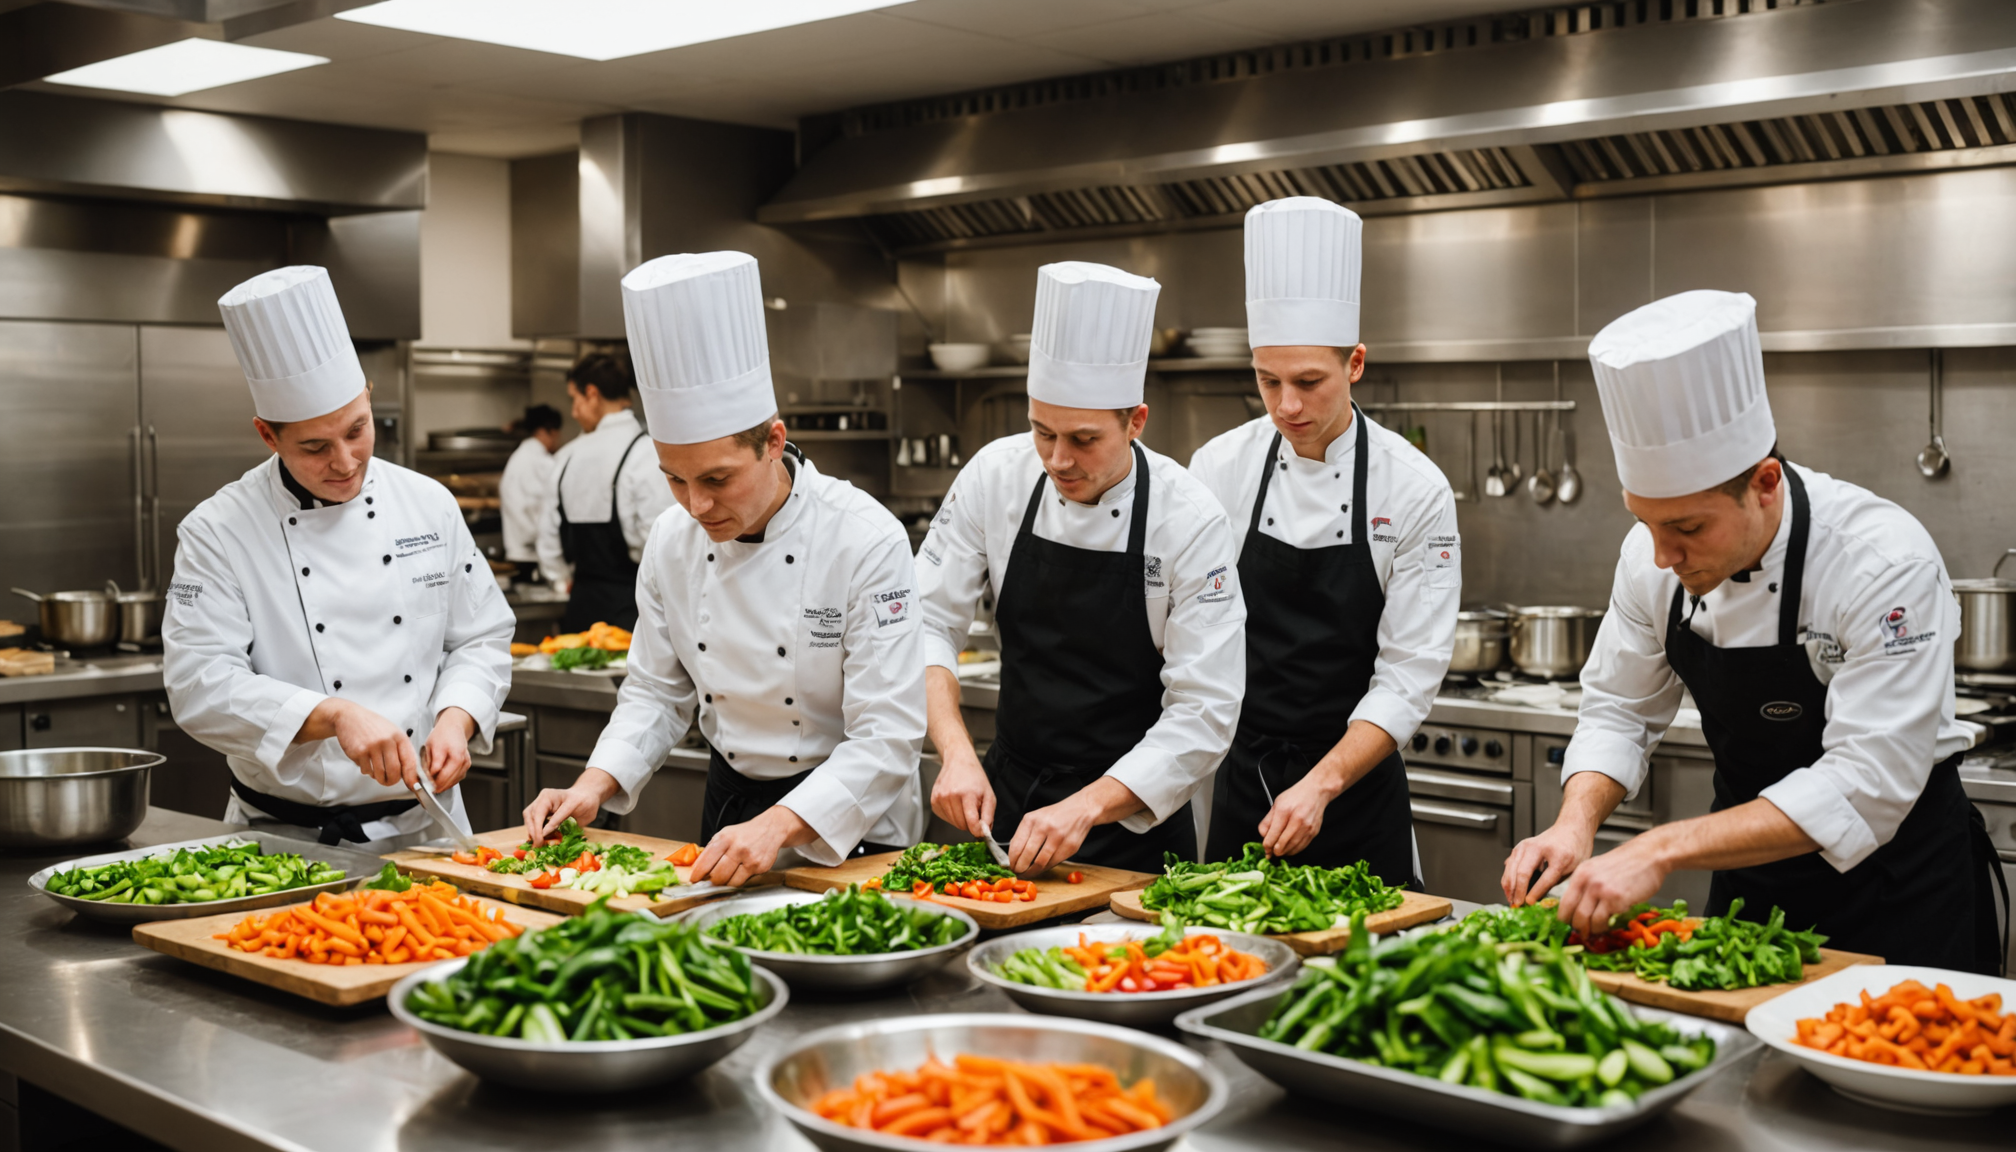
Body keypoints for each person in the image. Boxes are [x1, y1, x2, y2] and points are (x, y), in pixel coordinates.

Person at [1500, 289, 2006, 972]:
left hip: (1899, 894)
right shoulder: (1650, 558)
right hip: (1749, 893)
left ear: (1765, 483)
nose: (1660, 555)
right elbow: (1619, 709)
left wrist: (1657, 847)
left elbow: (1865, 783)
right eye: (1644, 522)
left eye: (1686, 528)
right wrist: (1575, 823)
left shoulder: (1882, 562)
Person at [522, 252, 924, 887]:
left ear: (772, 441)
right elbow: (656, 691)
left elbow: (888, 735)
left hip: (852, 828)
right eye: (675, 480)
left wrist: (780, 825)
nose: (696, 505)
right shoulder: (671, 540)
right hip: (731, 812)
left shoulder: (863, 538)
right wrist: (594, 784)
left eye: (716, 479)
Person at [162, 266, 515, 845]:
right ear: (267, 436)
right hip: (281, 842)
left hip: (426, 827)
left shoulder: (427, 503)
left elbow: (480, 637)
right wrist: (333, 715)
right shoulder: (218, 530)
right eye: (315, 447)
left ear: (370, 401)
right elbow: (199, 684)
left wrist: (459, 715)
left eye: (358, 430)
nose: (347, 461)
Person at [917, 261, 1245, 875]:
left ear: (1136, 421)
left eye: (1084, 439)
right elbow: (926, 622)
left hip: (1131, 825)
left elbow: (1205, 710)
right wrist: (956, 751)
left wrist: (1086, 806)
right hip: (1004, 807)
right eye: (1043, 432)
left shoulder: (1190, 518)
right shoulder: (996, 476)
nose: (1058, 460)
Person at [1190, 198, 1458, 882]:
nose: (1287, 406)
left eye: (1309, 382)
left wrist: (1323, 783)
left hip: (1356, 790)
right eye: (1267, 380)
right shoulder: (1219, 468)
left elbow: (1407, 675)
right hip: (1245, 786)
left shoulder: (1414, 488)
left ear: (1357, 363)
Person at [537, 353, 675, 632]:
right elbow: (661, 544)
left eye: (574, 400)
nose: (574, 412)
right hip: (635, 611)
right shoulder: (648, 453)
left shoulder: (565, 457)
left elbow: (548, 541)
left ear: (592, 394)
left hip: (580, 610)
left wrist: (560, 579)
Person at [500, 403, 562, 581]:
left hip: (516, 553)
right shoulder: (542, 462)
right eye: (556, 434)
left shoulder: (517, 458)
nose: (557, 440)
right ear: (544, 432)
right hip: (532, 557)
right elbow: (546, 513)